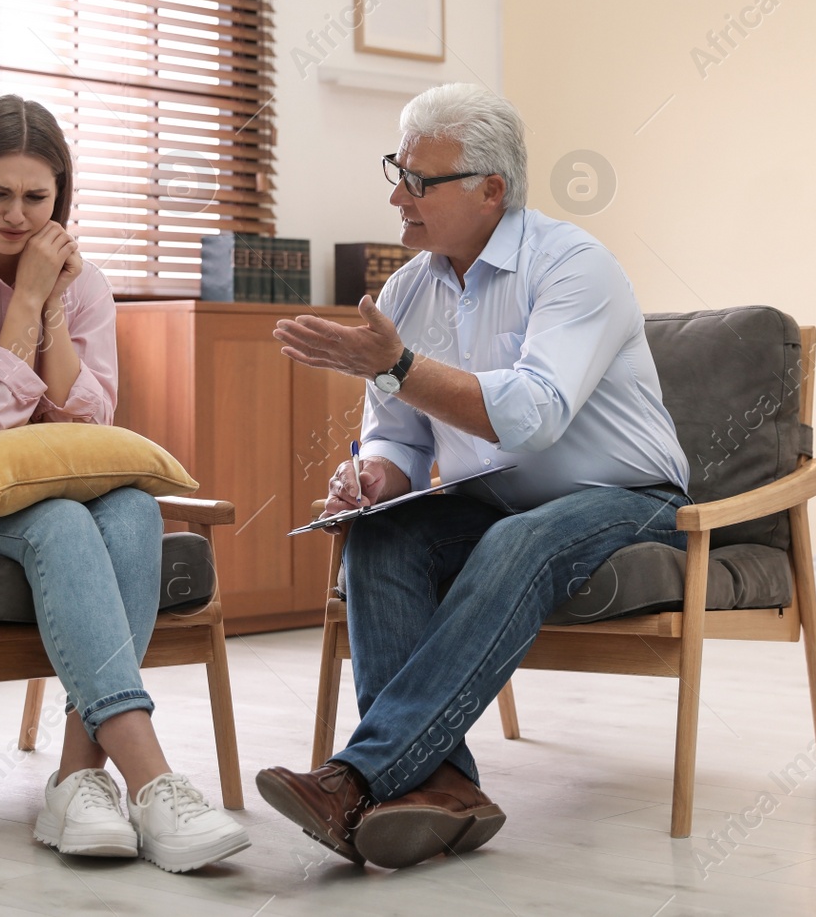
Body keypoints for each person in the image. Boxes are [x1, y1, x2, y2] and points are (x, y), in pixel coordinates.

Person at [256, 83, 692, 869]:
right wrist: (374, 478)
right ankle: (445, 787)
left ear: (492, 189)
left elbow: (533, 416)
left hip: (626, 499)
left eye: (420, 181)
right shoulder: (407, 289)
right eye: (398, 171)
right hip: (492, 501)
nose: (397, 195)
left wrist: (397, 364)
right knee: (378, 532)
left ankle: (358, 775)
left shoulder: (574, 267)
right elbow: (392, 433)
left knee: (520, 539)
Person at [0, 95, 250, 873]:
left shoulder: (82, 282)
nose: (18, 215)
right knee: (60, 518)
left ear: (61, 194)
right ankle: (151, 776)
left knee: (130, 507)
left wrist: (55, 302)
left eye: (38, 197)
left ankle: (77, 778)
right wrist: (24, 297)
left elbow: (88, 420)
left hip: (30, 500)